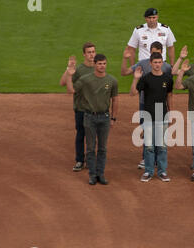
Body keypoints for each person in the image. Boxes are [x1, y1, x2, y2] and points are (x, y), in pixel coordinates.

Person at [65, 54, 119, 185]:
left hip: (105, 117)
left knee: (102, 148)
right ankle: (92, 175)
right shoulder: (85, 79)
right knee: (90, 148)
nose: (102, 66)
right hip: (89, 117)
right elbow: (70, 90)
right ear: (94, 64)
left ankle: (100, 174)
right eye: (100, 63)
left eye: (104, 64)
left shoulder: (112, 80)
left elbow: (115, 100)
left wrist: (113, 118)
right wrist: (69, 74)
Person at [122, 41, 172, 169]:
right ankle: (146, 159)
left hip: (161, 106)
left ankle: (157, 161)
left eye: (158, 54)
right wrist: (125, 59)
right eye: (153, 53)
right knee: (147, 132)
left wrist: (170, 111)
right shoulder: (143, 64)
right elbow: (125, 72)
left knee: (160, 136)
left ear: (162, 54)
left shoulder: (166, 67)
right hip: (145, 104)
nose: (156, 58)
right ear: (150, 53)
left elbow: (169, 92)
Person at [130, 52, 173, 182]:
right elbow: (133, 92)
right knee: (149, 146)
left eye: (159, 62)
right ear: (150, 63)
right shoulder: (145, 78)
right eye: (155, 62)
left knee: (162, 146)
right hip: (148, 115)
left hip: (162, 114)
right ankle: (148, 171)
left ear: (162, 63)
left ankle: (162, 171)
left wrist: (170, 113)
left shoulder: (167, 79)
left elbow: (169, 96)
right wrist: (136, 78)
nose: (157, 65)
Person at [59, 42, 96, 172]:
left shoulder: (99, 68)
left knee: (92, 136)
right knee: (81, 134)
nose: (92, 54)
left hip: (94, 109)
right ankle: (80, 160)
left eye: (93, 52)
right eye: (89, 52)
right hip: (80, 108)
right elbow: (62, 82)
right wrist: (68, 69)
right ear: (84, 54)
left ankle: (91, 160)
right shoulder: (79, 69)